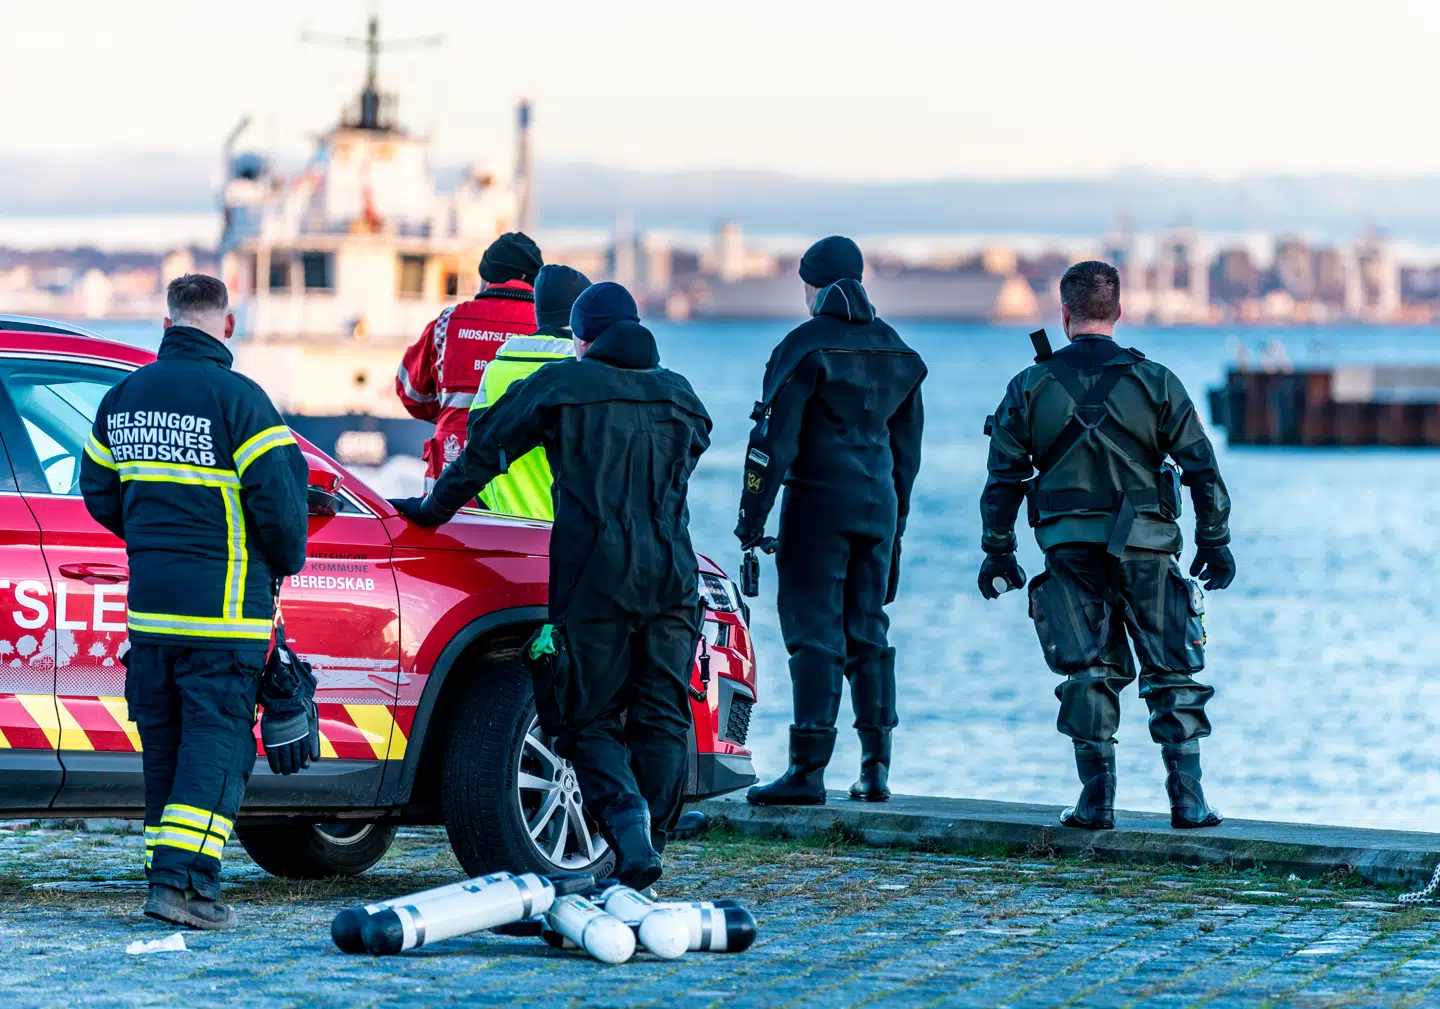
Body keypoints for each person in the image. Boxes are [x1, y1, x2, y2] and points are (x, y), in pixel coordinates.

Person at [391, 283, 711, 889]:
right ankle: (650, 840)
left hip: (595, 569)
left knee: (583, 712)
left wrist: (431, 512)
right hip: (674, 571)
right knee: (662, 711)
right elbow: (696, 445)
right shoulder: (681, 395)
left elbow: (485, 450)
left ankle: (631, 829)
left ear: (581, 337)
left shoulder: (565, 384)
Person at [79, 274, 309, 928]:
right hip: (224, 614)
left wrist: (153, 536)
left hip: (151, 616)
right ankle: (186, 890)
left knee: (167, 752)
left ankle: (165, 879)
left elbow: (97, 488)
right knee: (216, 752)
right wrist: (281, 561)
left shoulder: (124, 396)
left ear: (166, 320)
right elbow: (282, 511)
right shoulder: (239, 399)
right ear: (226, 325)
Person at [978, 260, 1235, 831]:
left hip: (1069, 550)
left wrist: (998, 551)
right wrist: (1215, 540)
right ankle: (1188, 804)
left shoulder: (1029, 385)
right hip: (1149, 549)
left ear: (1064, 313)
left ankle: (1096, 804)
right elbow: (1202, 467)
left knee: (1088, 670)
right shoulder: (1158, 381)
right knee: (1172, 669)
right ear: (1118, 312)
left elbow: (1003, 480)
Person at [737, 236, 926, 807]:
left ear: (814, 286)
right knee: (869, 632)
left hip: (818, 503)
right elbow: (908, 457)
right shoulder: (897, 350)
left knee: (813, 633)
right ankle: (875, 769)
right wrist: (896, 532)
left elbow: (772, 444)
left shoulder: (802, 347)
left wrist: (751, 521)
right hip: (880, 506)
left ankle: (806, 770)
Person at [395, 232, 543, 486]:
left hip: (449, 484)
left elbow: (410, 391)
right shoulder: (549, 332)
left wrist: (447, 412)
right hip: (522, 490)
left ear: (486, 278)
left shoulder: (447, 323)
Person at [468, 264, 591, 518]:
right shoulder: (585, 372)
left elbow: (474, 451)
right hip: (573, 538)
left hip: (506, 532)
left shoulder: (496, 369)